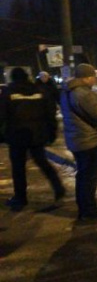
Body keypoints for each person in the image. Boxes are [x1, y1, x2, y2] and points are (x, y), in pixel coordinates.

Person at [0, 67, 65, 210]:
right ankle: (58, 187)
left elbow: (2, 115)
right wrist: (52, 132)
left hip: (16, 134)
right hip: (37, 134)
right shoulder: (39, 91)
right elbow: (50, 112)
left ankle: (20, 198)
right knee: (42, 162)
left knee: (18, 168)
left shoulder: (8, 92)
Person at [60, 63, 97, 220]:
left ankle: (86, 206)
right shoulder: (83, 93)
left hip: (77, 138)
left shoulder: (67, 91)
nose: (94, 80)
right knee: (89, 178)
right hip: (88, 140)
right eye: (93, 77)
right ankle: (89, 212)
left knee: (83, 176)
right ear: (88, 77)